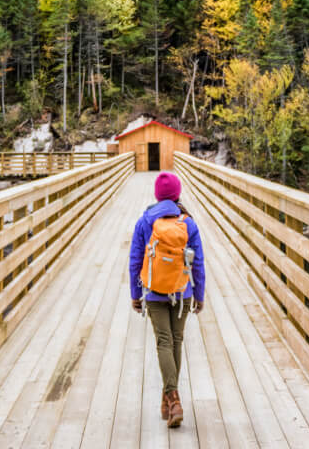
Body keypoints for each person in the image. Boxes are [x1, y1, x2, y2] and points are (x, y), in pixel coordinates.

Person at [129, 171, 206, 428]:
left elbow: (135, 260)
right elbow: (199, 263)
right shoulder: (188, 223)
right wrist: (199, 294)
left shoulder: (144, 221)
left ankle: (171, 399)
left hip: (153, 291)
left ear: (156, 195)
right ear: (177, 194)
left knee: (164, 340)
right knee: (176, 340)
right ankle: (171, 399)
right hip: (182, 291)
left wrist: (134, 293)